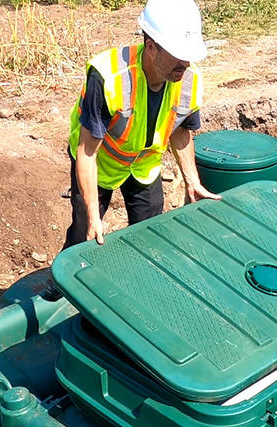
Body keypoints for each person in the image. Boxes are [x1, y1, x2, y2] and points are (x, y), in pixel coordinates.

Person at [62, 0, 221, 250]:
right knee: (84, 237)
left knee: (151, 235)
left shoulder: (189, 79)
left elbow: (180, 131)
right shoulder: (107, 76)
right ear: (151, 47)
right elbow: (87, 150)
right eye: (179, 55)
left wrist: (192, 180)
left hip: (144, 165)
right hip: (100, 163)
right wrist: (93, 215)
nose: (186, 64)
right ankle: (63, 284)